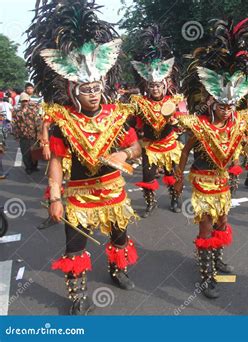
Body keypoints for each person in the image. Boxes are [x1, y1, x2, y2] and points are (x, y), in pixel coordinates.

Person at [26, 0, 141, 315]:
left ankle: (118, 270)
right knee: (75, 244)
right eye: (84, 88)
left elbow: (136, 147)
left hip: (114, 192)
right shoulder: (62, 122)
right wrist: (54, 198)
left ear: (102, 84)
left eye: (95, 87)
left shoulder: (118, 115)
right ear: (72, 89)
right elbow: (55, 164)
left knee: (120, 236)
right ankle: (77, 295)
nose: (91, 93)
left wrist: (125, 152)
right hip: (78, 195)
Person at [176, 16, 248, 299]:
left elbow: (246, 142)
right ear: (210, 99)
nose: (227, 109)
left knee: (222, 222)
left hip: (224, 181)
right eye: (222, 104)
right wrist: (179, 175)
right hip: (202, 180)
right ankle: (206, 276)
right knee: (205, 224)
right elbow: (187, 148)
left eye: (231, 104)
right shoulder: (199, 124)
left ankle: (216, 259)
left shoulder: (237, 122)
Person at [128, 25, 184, 216]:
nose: (155, 89)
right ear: (147, 86)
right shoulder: (140, 103)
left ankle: (175, 200)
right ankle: (150, 204)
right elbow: (132, 122)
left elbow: (181, 121)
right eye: (151, 86)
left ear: (164, 85)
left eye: (158, 85)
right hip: (150, 146)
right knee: (148, 176)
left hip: (169, 145)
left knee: (171, 175)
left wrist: (178, 123)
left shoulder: (173, 101)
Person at [11, 93, 42, 175]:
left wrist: (39, 135)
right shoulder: (17, 112)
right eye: (23, 101)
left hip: (33, 135)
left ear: (28, 101)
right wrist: (16, 135)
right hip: (23, 136)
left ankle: (34, 166)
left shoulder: (33, 111)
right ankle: (28, 168)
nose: (24, 102)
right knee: (25, 153)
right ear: (20, 101)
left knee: (35, 152)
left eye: (26, 101)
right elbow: (15, 124)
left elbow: (38, 123)